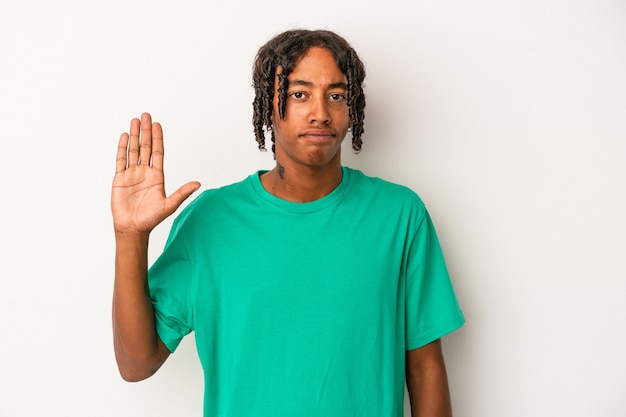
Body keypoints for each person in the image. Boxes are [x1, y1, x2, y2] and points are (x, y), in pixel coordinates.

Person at [111, 29, 464, 417]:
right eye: (299, 93)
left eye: (336, 95)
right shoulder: (210, 221)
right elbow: (137, 363)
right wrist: (130, 237)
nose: (320, 112)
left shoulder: (399, 215)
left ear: (353, 110)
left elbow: (425, 367)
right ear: (268, 106)